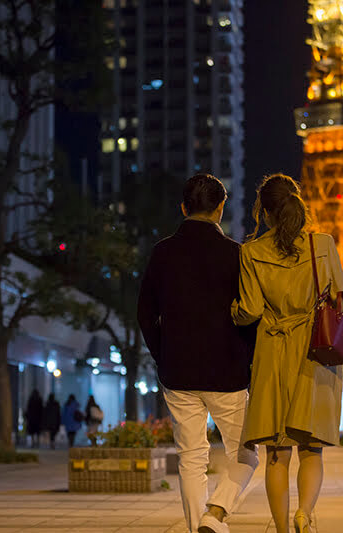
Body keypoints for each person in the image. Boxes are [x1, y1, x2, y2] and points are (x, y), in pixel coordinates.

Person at [138, 173, 258, 533]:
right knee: (246, 453)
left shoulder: (162, 252)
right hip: (229, 372)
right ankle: (216, 513)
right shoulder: (237, 254)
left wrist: (163, 355)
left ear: (183, 207)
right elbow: (251, 314)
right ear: (220, 208)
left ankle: (198, 528)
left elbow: (145, 312)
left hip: (178, 372)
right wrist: (246, 356)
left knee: (191, 458)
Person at [231, 174, 343, 533]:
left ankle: (282, 528)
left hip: (272, 353)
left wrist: (233, 310)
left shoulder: (250, 252)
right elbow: (342, 299)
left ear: (263, 211)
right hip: (314, 353)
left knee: (276, 453)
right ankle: (304, 515)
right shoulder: (323, 245)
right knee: (312, 449)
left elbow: (249, 310)